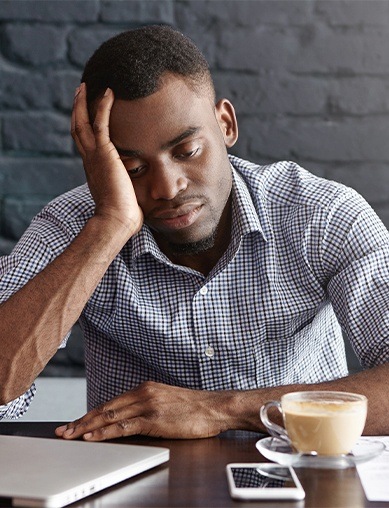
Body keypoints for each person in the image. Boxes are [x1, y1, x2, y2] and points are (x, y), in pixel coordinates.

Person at [0, 25, 388, 441]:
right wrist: (109, 227)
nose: (167, 187)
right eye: (133, 169)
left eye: (186, 151)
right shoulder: (75, 228)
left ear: (225, 124)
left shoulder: (321, 215)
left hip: (299, 481)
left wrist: (222, 410)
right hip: (133, 491)